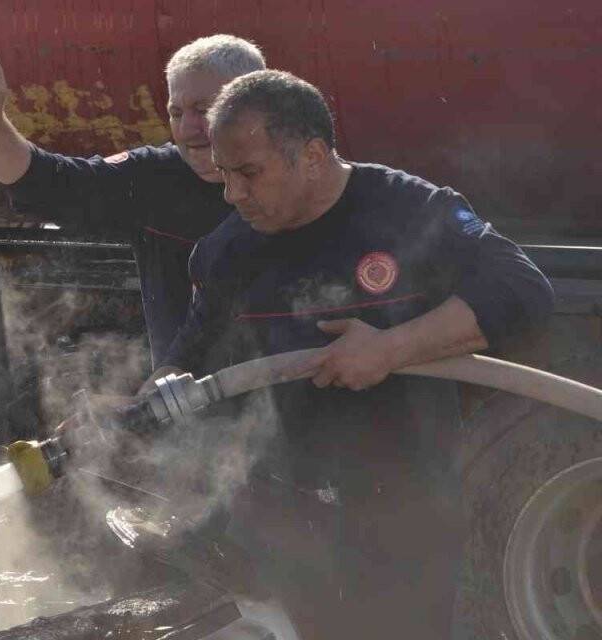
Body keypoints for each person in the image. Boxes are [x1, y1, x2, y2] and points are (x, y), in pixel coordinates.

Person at [161, 70, 553, 638]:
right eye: (224, 174)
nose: (232, 194)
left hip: (403, 512)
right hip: (282, 520)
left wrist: (390, 348)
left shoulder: (408, 211)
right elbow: (187, 357)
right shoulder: (227, 252)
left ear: (313, 155)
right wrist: (163, 385)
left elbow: (523, 289)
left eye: (249, 172)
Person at [0, 35, 265, 367]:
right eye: (176, 112)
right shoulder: (154, 179)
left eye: (203, 110)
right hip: (187, 407)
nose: (187, 128)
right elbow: (43, 181)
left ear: (256, 104)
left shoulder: (313, 182)